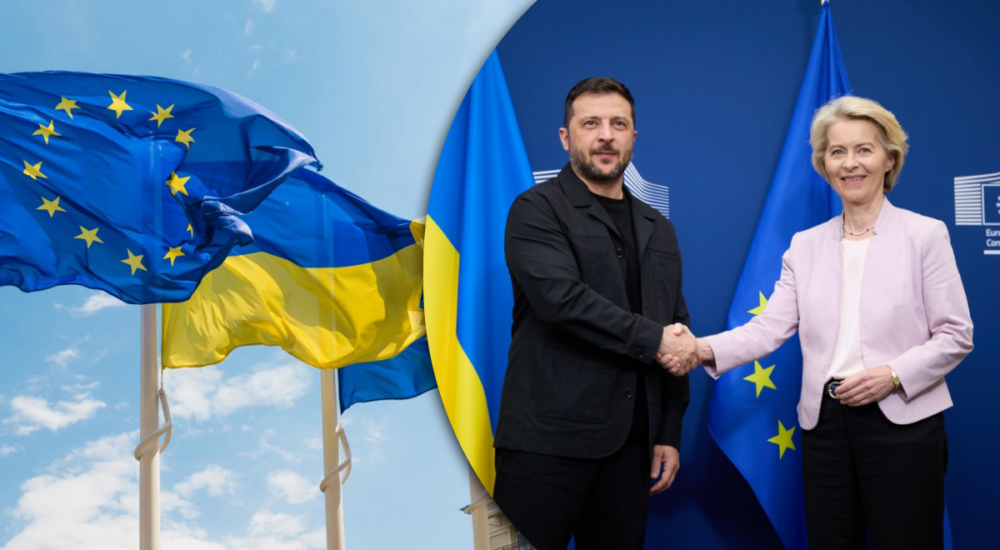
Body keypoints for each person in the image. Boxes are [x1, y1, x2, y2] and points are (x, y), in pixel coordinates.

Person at [661, 95, 974, 549]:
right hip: (824, 425)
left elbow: (956, 335)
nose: (850, 163)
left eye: (864, 149)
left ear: (890, 158)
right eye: (837, 151)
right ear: (824, 164)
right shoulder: (804, 246)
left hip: (903, 422)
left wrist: (891, 375)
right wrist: (697, 349)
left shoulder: (924, 234)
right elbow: (767, 329)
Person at [492, 77, 696, 550]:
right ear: (566, 138)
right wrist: (657, 340)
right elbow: (561, 300)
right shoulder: (535, 209)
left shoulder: (659, 227)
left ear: (633, 138)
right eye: (591, 124)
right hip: (546, 443)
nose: (606, 135)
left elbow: (676, 325)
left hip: (633, 446)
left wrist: (668, 430)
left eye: (618, 124)